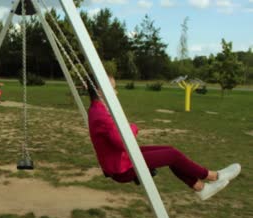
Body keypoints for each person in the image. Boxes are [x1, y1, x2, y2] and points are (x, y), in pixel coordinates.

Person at [87, 75, 241, 200]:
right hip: (122, 168)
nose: (116, 93)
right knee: (172, 155)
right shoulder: (101, 115)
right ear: (100, 91)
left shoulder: (98, 109)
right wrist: (133, 127)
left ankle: (201, 188)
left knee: (169, 150)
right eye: (113, 89)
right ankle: (213, 176)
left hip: (122, 159)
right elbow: (122, 142)